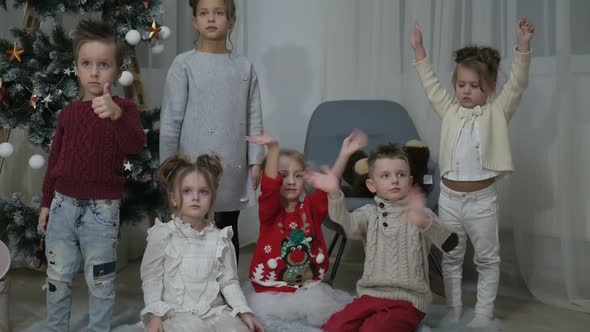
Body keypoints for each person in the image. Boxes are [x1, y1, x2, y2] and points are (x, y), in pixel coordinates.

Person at [410, 17, 535, 327]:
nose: (465, 91)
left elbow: (517, 83)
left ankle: (482, 315)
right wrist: (419, 50)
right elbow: (430, 85)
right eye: (461, 85)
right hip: (450, 199)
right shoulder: (449, 109)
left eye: (473, 86)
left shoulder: (497, 111)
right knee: (450, 257)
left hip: (482, 202)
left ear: (490, 87)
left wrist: (523, 45)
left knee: (487, 260)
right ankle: (454, 311)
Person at [38, 19, 146, 332]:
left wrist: (115, 116)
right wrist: (46, 203)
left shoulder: (124, 109)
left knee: (100, 280)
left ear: (117, 68)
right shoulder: (68, 113)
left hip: (102, 211)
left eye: (103, 64)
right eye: (87, 64)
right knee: (57, 277)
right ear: (77, 67)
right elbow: (55, 161)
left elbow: (136, 145)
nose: (95, 72)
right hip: (62, 206)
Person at [306, 144, 458, 332]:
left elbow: (450, 243)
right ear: (372, 185)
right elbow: (346, 223)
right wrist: (334, 194)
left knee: (373, 329)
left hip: (408, 300)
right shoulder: (369, 213)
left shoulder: (421, 213)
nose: (394, 180)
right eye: (385, 176)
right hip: (370, 295)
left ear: (410, 182)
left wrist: (425, 222)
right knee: (334, 327)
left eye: (401, 175)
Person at [159, 0, 264, 261]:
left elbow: (254, 117)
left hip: (232, 163)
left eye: (219, 13)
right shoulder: (183, 65)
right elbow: (171, 119)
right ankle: (189, 287)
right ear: (194, 21)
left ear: (231, 20)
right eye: (204, 13)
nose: (211, 19)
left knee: (227, 229)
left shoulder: (244, 67)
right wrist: (168, 166)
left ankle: (228, 289)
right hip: (191, 163)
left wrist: (255, 160)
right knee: (192, 226)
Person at [243, 130, 367, 327]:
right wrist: (273, 148)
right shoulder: (270, 212)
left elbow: (328, 186)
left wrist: (344, 154)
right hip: (271, 293)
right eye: (283, 175)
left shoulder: (310, 208)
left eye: (298, 175)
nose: (291, 181)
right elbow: (269, 187)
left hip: (307, 290)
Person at [141, 154, 264, 332]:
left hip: (213, 312)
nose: (196, 197)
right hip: (178, 314)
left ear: (212, 199)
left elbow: (229, 282)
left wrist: (244, 311)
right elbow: (152, 278)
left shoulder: (220, 238)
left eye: (203, 192)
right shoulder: (162, 235)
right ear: (174, 198)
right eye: (187, 191)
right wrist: (155, 315)